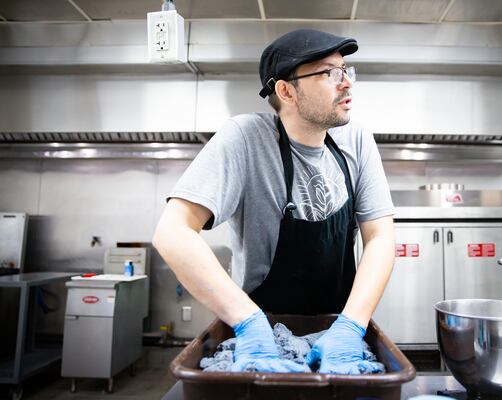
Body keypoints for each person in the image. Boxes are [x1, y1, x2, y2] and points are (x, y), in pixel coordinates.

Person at [153, 29, 395, 374]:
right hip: (263, 341)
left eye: (347, 70)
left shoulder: (356, 140)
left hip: (339, 337)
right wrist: (249, 324)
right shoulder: (246, 138)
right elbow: (172, 232)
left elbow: (381, 236)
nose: (347, 83)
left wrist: (352, 326)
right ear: (286, 90)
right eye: (330, 73)